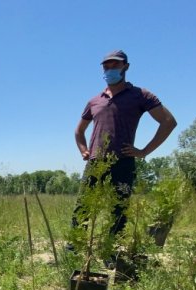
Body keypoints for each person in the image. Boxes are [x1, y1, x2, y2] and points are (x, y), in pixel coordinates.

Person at [70, 49, 177, 248]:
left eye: (115, 65)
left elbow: (169, 122)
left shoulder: (140, 95)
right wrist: (84, 150)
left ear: (125, 67)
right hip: (95, 162)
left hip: (123, 161)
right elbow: (78, 131)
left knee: (118, 208)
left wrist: (144, 151)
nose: (110, 69)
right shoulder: (95, 100)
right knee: (83, 206)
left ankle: (111, 251)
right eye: (106, 66)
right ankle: (75, 247)